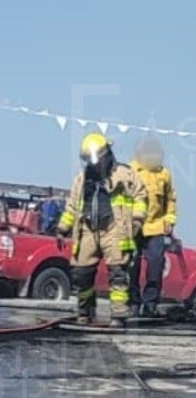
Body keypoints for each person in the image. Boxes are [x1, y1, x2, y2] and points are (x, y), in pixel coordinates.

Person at [55, 133, 147, 327]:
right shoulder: (82, 179)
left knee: (117, 272)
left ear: (105, 155)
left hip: (115, 228)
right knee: (82, 273)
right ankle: (85, 313)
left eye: (93, 159)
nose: (91, 164)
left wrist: (137, 221)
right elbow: (72, 206)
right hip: (87, 229)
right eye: (87, 160)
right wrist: (63, 227)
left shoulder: (125, 175)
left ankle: (118, 316)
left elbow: (141, 198)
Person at [128, 135, 177, 317]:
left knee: (156, 265)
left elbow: (170, 200)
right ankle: (133, 302)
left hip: (155, 227)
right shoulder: (131, 170)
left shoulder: (164, 174)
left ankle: (150, 304)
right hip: (134, 227)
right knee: (132, 265)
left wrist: (169, 221)